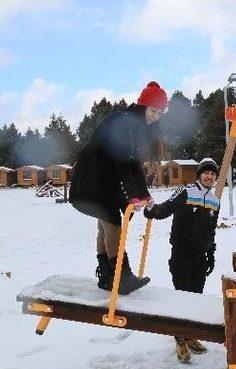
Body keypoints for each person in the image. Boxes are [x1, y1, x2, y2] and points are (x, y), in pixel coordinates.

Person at [70, 81, 167, 295]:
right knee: (112, 224)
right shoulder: (127, 123)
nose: (155, 117)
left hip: (97, 179)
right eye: (153, 110)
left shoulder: (131, 123)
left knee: (104, 224)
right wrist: (131, 196)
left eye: (159, 113)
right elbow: (122, 163)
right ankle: (121, 277)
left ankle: (106, 276)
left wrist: (143, 194)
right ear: (142, 106)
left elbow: (132, 164)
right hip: (95, 179)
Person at [144, 158, 220, 362]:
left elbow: (211, 231)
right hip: (181, 254)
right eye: (206, 173)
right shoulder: (186, 191)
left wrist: (210, 253)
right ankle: (180, 340)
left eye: (212, 174)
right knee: (182, 299)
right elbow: (166, 208)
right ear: (199, 174)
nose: (209, 176)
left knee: (196, 299)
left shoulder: (215, 200)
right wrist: (152, 210)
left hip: (200, 257)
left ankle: (191, 336)